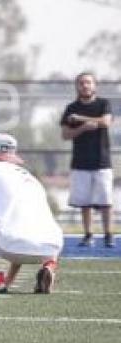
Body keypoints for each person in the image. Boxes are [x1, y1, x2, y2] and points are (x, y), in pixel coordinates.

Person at [0, 133, 63, 295]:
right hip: (51, 248)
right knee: (17, 227)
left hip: (14, 245)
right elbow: (20, 223)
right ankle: (49, 267)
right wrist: (8, 281)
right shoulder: (28, 177)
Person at [61, 72, 114, 248]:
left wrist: (80, 119)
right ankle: (88, 234)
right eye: (82, 83)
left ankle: (108, 235)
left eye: (88, 82)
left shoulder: (103, 104)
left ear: (94, 85)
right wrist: (83, 128)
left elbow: (106, 122)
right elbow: (66, 134)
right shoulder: (71, 108)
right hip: (80, 163)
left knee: (106, 201)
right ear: (77, 86)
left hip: (102, 161)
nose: (85, 86)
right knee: (85, 202)